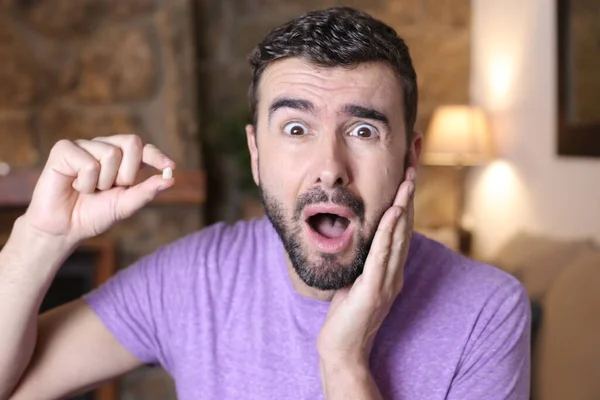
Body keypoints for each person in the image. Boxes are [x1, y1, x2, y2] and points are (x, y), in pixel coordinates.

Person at [0, 7, 530, 400]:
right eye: (296, 128)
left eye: (364, 129)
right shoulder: (195, 278)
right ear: (256, 154)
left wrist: (344, 362)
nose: (329, 165)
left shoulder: (487, 312)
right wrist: (39, 238)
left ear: (410, 160)